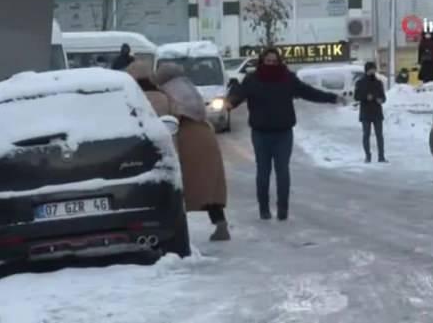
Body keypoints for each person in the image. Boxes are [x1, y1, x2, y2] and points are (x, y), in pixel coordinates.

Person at [226, 48, 343, 221]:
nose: (272, 64)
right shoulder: (252, 80)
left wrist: (331, 98)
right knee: (263, 172)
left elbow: (308, 92)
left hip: (283, 133)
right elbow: (238, 96)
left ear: (279, 62)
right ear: (262, 61)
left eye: (274, 61)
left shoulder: (287, 78)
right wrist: (229, 101)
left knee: (282, 172)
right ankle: (264, 210)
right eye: (268, 61)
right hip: (260, 134)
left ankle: (283, 210)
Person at [154, 63, 230, 241]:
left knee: (183, 185)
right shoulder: (189, 88)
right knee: (209, 186)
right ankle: (220, 223)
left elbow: (171, 116)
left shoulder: (169, 92)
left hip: (186, 139)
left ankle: (177, 232)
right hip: (205, 135)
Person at [354, 62, 386, 163]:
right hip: (366, 112)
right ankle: (368, 156)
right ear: (367, 70)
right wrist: (365, 97)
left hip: (377, 111)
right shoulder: (360, 82)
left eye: (374, 69)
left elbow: (383, 97)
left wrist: (381, 99)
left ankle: (381, 156)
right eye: (371, 69)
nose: (373, 71)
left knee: (379, 135)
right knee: (366, 135)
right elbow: (356, 97)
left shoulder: (378, 82)